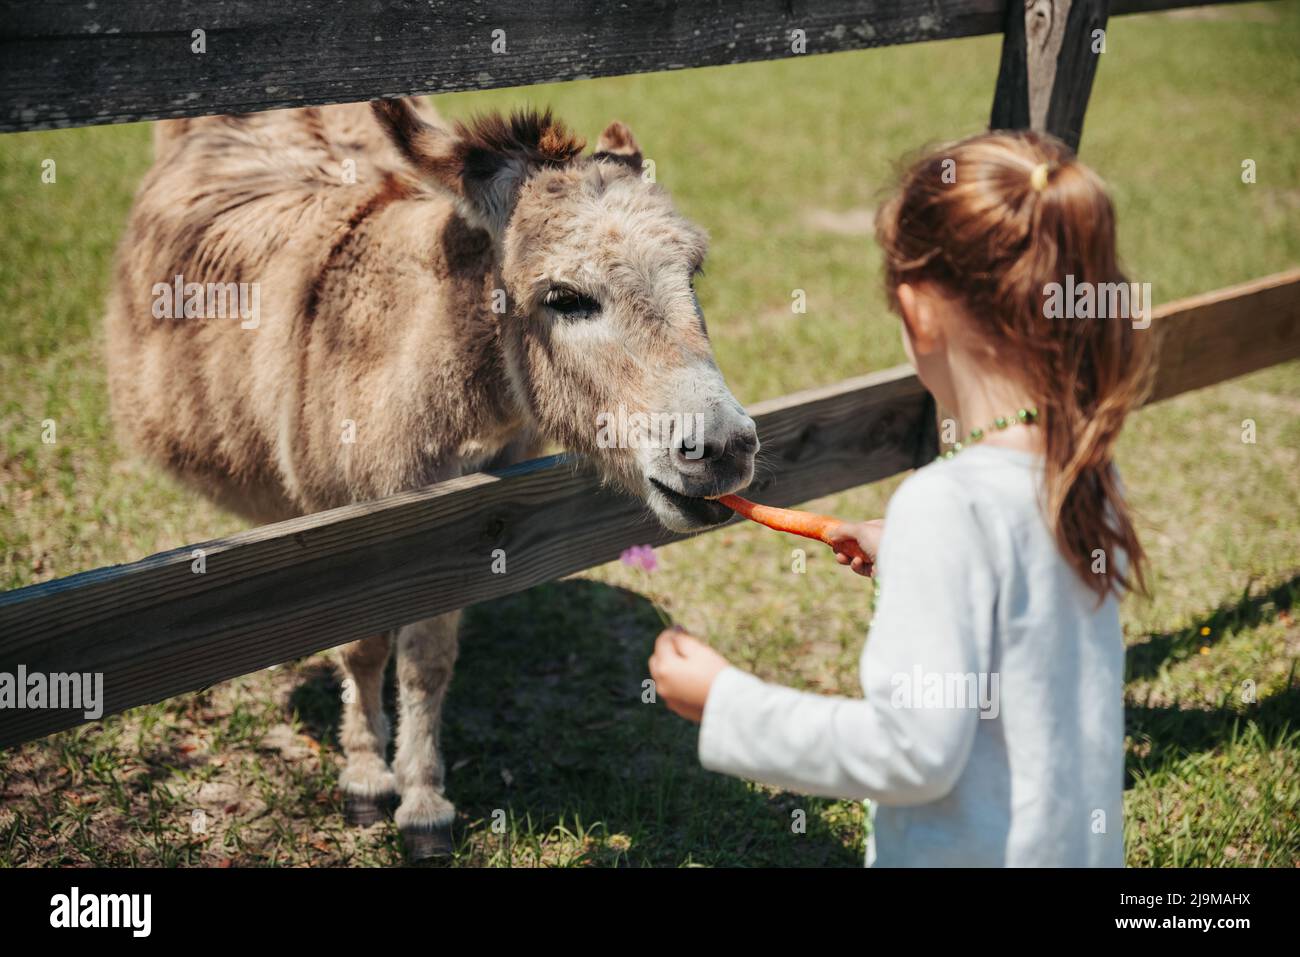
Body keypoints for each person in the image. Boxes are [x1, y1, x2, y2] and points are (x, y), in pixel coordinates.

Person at [648, 130, 1152, 866]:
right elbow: (1024, 617)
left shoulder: (944, 505)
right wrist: (915, 556)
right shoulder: (1086, 474)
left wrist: (725, 701)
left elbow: (913, 752)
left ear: (916, 313)